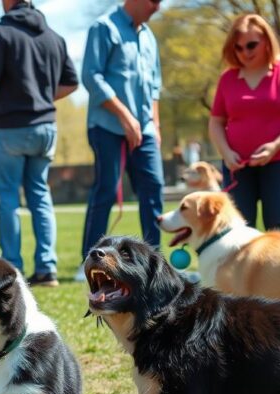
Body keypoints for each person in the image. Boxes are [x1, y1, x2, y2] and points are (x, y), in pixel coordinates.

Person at [0, 0, 78, 286]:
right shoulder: (54, 37)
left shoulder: (1, 32)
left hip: (11, 127)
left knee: (7, 198)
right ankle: (47, 269)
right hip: (45, 128)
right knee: (40, 197)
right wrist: (40, 97)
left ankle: (12, 268)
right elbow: (71, 83)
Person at [79, 0, 165, 281]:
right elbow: (91, 77)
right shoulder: (104, 28)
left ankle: (154, 266)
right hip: (108, 126)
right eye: (154, 1)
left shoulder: (148, 36)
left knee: (154, 188)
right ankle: (89, 261)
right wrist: (125, 117)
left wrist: (155, 125)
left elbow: (154, 86)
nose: (157, 7)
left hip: (146, 129)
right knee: (106, 190)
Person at [209, 14, 280, 240]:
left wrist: (275, 146)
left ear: (267, 40)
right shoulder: (228, 78)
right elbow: (216, 121)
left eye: (251, 45)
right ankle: (243, 276)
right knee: (238, 224)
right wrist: (226, 153)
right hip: (237, 164)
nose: (245, 52)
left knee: (277, 220)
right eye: (238, 48)